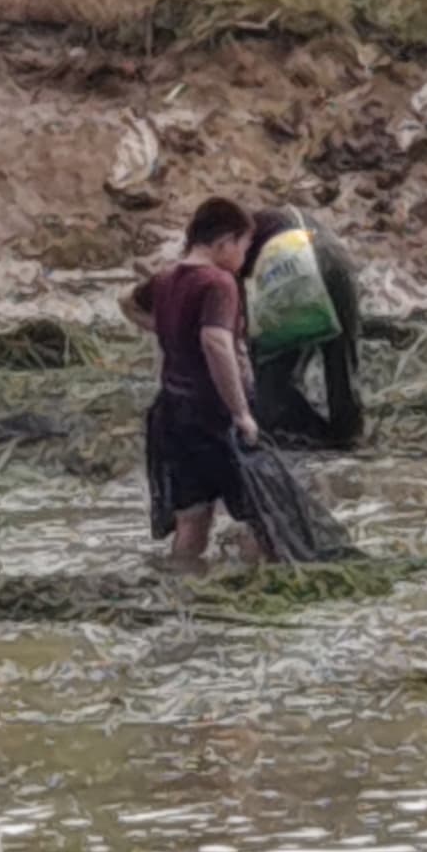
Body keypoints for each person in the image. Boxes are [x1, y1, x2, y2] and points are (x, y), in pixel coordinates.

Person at [140, 198, 270, 573]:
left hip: (171, 413)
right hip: (210, 416)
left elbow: (127, 302)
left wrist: (166, 328)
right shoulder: (218, 282)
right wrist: (241, 413)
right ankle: (253, 589)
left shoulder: (166, 279)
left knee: (192, 519)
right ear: (224, 242)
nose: (244, 258)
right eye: (244, 247)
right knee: (261, 516)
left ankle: (184, 596)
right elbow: (216, 343)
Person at [239, 207, 366, 447]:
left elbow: (244, 339)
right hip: (336, 259)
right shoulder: (268, 222)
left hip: (290, 262)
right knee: (340, 356)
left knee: (271, 368)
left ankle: (292, 429)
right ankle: (348, 434)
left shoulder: (224, 250)